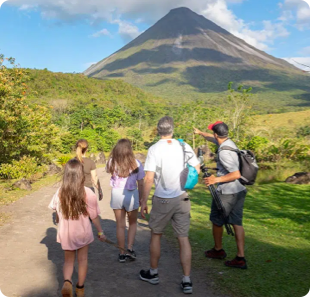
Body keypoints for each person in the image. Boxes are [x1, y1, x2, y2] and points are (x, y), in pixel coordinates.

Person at [139, 116, 200, 294]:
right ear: (172, 130)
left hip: (162, 199)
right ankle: (187, 280)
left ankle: (154, 273)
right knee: (183, 238)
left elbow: (149, 177)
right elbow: (195, 168)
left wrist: (143, 200)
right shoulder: (184, 146)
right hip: (182, 197)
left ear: (158, 130)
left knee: (156, 234)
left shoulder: (154, 149)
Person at [49, 159, 106, 297]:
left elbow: (56, 210)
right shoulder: (88, 192)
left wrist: (58, 220)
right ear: (81, 175)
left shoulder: (60, 192)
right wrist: (100, 232)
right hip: (83, 233)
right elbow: (94, 217)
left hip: (66, 233)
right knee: (82, 260)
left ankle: (67, 282)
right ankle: (80, 288)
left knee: (68, 261)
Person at [194, 121, 248, 269]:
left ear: (216, 134)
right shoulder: (229, 142)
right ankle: (240, 257)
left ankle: (218, 250)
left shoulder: (224, 152)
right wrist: (200, 133)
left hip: (227, 192)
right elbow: (211, 138)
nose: (212, 135)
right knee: (237, 222)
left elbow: (236, 173)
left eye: (213, 133)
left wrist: (215, 179)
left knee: (217, 220)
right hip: (239, 190)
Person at [106, 139, 145, 263]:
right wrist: (141, 198)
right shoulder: (136, 163)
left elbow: (109, 172)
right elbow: (141, 183)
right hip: (131, 193)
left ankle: (121, 252)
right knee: (132, 223)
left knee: (120, 225)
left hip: (117, 193)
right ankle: (130, 248)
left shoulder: (112, 162)